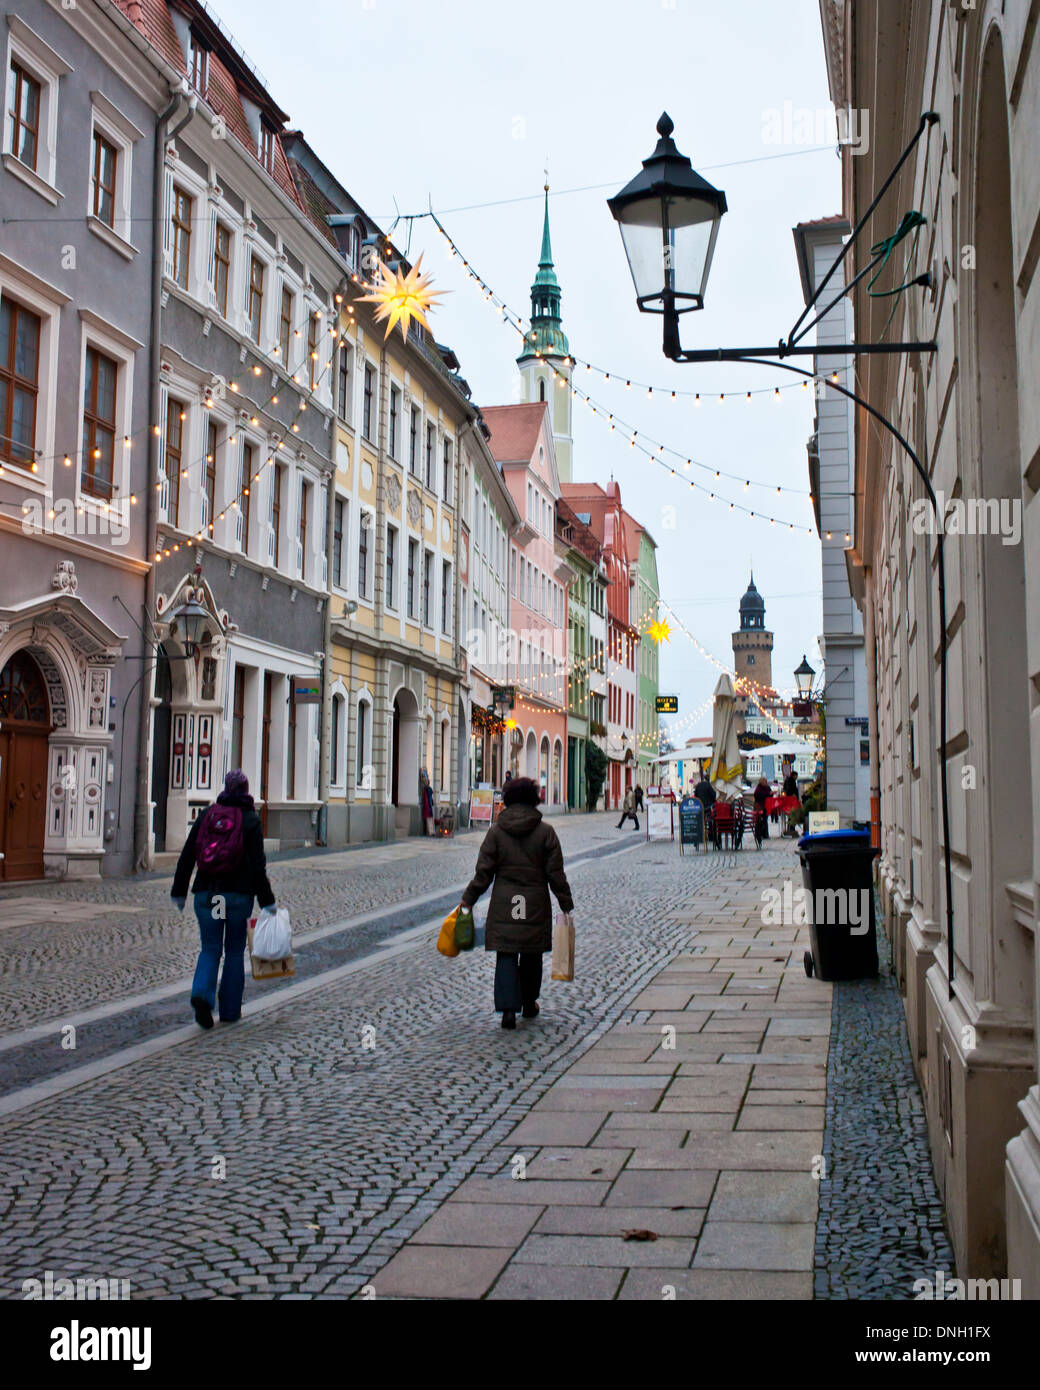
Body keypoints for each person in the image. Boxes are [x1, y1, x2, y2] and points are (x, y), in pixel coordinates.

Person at [459, 776, 574, 1030]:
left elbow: (484, 873)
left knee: (507, 953)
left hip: (505, 903)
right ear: (534, 800)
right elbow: (556, 873)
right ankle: (529, 1002)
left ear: (508, 800)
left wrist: (468, 900)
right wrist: (565, 902)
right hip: (534, 904)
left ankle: (508, 1010)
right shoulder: (546, 832)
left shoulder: (496, 832)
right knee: (531, 954)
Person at [171, 769, 275, 1029]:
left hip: (209, 895)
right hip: (237, 897)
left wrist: (179, 891)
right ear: (246, 790)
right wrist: (267, 901)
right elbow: (258, 866)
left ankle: (202, 995)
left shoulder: (208, 815)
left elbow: (188, 854)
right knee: (234, 951)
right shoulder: (250, 819)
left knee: (210, 949)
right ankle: (229, 1010)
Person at [753, 774, 771, 839]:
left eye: (766, 781)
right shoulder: (759, 788)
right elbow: (757, 795)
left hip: (765, 806)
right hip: (759, 806)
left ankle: (765, 834)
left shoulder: (767, 787)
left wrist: (770, 794)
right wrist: (768, 794)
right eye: (765, 781)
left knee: (765, 820)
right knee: (759, 821)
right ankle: (759, 834)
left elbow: (769, 794)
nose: (766, 783)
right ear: (761, 782)